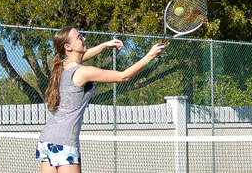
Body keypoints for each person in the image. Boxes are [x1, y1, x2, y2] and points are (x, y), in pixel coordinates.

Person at [36, 27, 164, 173]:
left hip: (46, 138)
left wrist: (104, 46)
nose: (84, 39)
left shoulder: (60, 65)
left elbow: (80, 57)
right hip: (64, 141)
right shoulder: (83, 72)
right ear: (68, 46)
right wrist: (150, 56)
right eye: (79, 37)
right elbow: (124, 76)